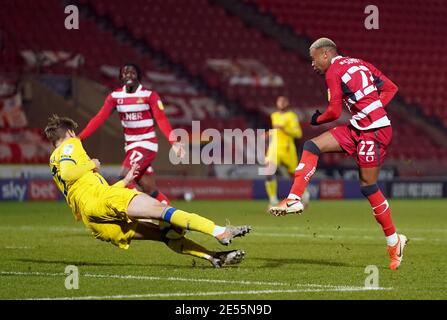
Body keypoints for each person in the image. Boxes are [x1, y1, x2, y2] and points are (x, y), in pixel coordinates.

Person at [269, 38, 407, 270]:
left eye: (314, 60)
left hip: (374, 133)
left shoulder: (333, 71)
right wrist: (372, 108)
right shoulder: (361, 64)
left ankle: (395, 242)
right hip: (359, 127)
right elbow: (391, 88)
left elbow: (333, 112)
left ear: (325, 55)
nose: (313, 65)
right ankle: (293, 199)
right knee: (312, 146)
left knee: (368, 187)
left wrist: (316, 119)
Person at [45, 114, 251, 268]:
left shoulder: (52, 159)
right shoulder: (71, 144)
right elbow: (69, 173)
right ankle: (219, 231)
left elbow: (82, 188)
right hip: (103, 199)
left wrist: (125, 180)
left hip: (94, 219)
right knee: (162, 211)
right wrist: (92, 164)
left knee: (164, 235)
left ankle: (212, 257)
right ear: (70, 133)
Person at [78, 63, 183, 205]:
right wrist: (80, 137)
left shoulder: (149, 95)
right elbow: (99, 118)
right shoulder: (115, 97)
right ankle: (170, 218)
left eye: (132, 72)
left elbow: (161, 119)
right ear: (121, 77)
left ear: (138, 76)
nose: (128, 75)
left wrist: (174, 142)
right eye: (125, 73)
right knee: (149, 189)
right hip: (131, 147)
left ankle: (143, 211)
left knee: (124, 178)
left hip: (146, 145)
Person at [264, 96, 310, 207]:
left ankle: (305, 195)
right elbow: (276, 131)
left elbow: (298, 133)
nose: (281, 103)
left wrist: (284, 129)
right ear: (277, 103)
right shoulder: (273, 115)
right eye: (279, 101)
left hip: (287, 149)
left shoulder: (292, 116)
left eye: (284, 101)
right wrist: (268, 133)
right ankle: (273, 200)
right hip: (274, 149)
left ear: (287, 103)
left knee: (293, 176)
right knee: (268, 172)